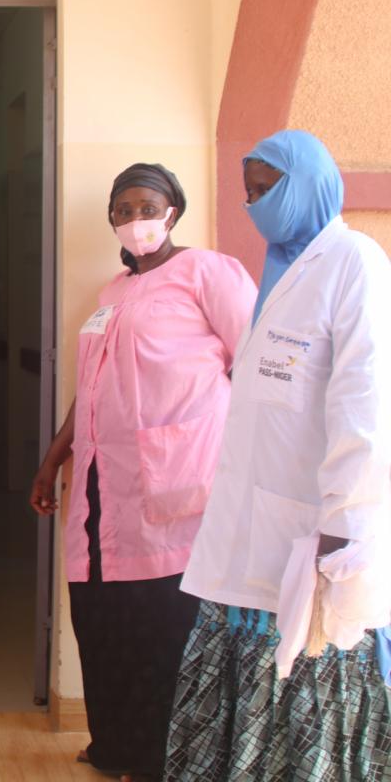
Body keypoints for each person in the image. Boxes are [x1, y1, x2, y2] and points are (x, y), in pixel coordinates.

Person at [164, 131, 391, 780]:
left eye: (270, 189)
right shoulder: (282, 273)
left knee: (300, 705)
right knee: (236, 700)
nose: (256, 205)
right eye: (250, 193)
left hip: (318, 540)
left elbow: (366, 409)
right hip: (253, 530)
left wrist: (342, 527)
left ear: (312, 184)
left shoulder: (355, 263)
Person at [30, 164, 256, 782]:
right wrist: (53, 458)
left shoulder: (209, 272)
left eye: (146, 206)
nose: (136, 221)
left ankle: (159, 758)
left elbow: (258, 363)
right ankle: (114, 744)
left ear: (173, 210)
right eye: (123, 210)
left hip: (176, 478)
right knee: (100, 618)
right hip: (105, 487)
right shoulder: (111, 291)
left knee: (163, 627)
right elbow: (92, 386)